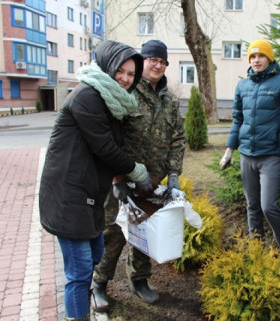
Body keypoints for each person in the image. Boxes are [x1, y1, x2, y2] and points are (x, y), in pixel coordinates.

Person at [39, 40, 156, 321]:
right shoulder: (87, 97)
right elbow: (105, 147)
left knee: (95, 252)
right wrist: (137, 172)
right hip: (68, 196)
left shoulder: (111, 101)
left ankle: (84, 299)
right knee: (78, 272)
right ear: (108, 66)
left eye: (131, 74)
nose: (127, 79)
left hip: (88, 193)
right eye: (122, 71)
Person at [92, 39, 186, 312]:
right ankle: (98, 284)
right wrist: (117, 180)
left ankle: (139, 280)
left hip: (152, 183)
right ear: (141, 62)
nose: (157, 64)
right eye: (151, 59)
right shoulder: (126, 93)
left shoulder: (169, 101)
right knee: (113, 235)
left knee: (144, 234)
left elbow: (177, 138)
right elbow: (108, 140)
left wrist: (174, 174)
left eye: (162, 61)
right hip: (122, 182)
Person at [219, 39, 280, 269]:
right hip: (247, 155)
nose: (256, 60)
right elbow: (238, 120)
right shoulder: (243, 86)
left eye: (261, 56)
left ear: (269, 58)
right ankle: (257, 249)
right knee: (252, 205)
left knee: (268, 206)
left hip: (271, 156)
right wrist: (229, 150)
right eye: (252, 57)